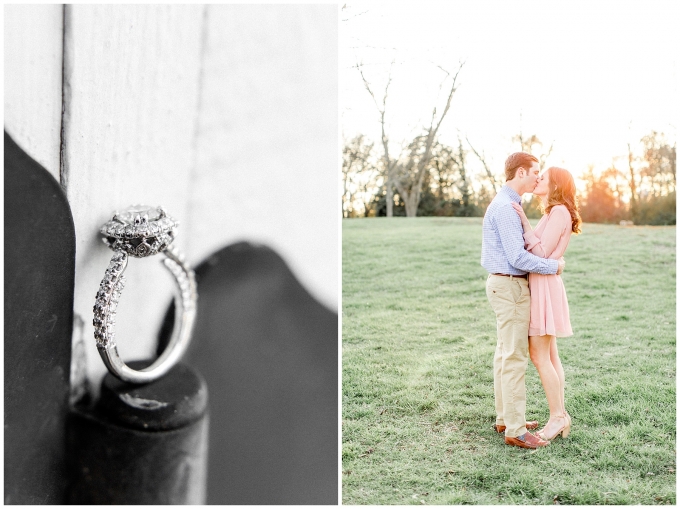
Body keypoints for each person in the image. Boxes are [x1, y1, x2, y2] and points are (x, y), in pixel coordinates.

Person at [481, 152, 565, 449]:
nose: (537, 177)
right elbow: (518, 257)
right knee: (514, 356)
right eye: (535, 172)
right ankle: (515, 430)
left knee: (505, 352)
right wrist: (553, 267)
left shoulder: (508, 204)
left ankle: (506, 417)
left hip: (504, 285)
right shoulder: (506, 207)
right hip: (511, 287)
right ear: (520, 173)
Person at [510, 166, 581, 442]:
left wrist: (525, 225)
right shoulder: (554, 212)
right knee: (550, 356)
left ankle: (557, 417)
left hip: (544, 285)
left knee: (540, 356)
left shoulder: (560, 211)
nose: (538, 179)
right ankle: (560, 415)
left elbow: (541, 253)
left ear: (555, 185)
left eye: (543, 177)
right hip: (543, 283)